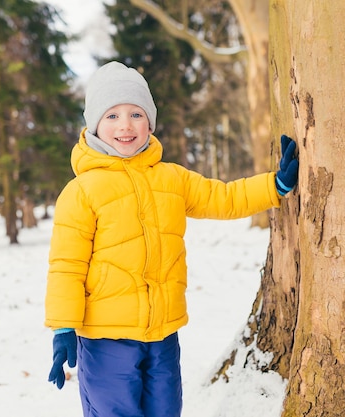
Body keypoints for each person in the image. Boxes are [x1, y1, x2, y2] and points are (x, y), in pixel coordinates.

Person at [44, 61, 299, 417]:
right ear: (95, 126)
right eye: (112, 115)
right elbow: (66, 266)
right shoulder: (81, 192)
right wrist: (63, 327)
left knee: (165, 409)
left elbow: (222, 198)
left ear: (150, 121)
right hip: (106, 338)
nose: (125, 125)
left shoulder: (171, 178)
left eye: (135, 113)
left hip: (163, 334)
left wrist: (274, 186)